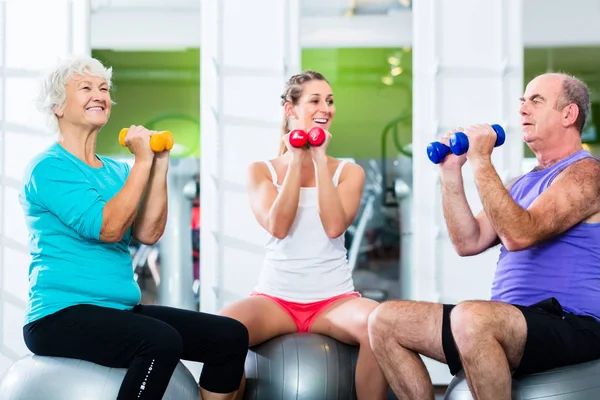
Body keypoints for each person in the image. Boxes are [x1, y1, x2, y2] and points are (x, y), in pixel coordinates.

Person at [19, 56, 249, 400]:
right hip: (58, 316)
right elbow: (108, 228)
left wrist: (158, 164)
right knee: (159, 341)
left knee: (229, 336)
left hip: (118, 309)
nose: (99, 94)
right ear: (58, 106)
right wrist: (142, 160)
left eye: (103, 88)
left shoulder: (115, 171)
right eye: (86, 88)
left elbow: (148, 233)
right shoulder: (48, 168)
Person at [367, 72, 600, 400]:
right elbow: (468, 241)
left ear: (569, 114)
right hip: (513, 321)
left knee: (472, 317)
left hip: (570, 323)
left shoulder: (587, 173)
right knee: (384, 320)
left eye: (536, 101)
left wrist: (481, 159)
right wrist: (451, 172)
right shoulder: (521, 183)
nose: (523, 109)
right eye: (522, 101)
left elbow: (519, 233)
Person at [219, 70, 389, 399]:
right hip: (275, 300)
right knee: (223, 332)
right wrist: (296, 161)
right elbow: (278, 226)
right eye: (315, 100)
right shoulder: (261, 170)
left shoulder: (348, 171)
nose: (326, 107)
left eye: (330, 101)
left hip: (334, 301)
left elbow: (335, 226)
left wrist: (320, 160)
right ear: (291, 110)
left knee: (379, 327)